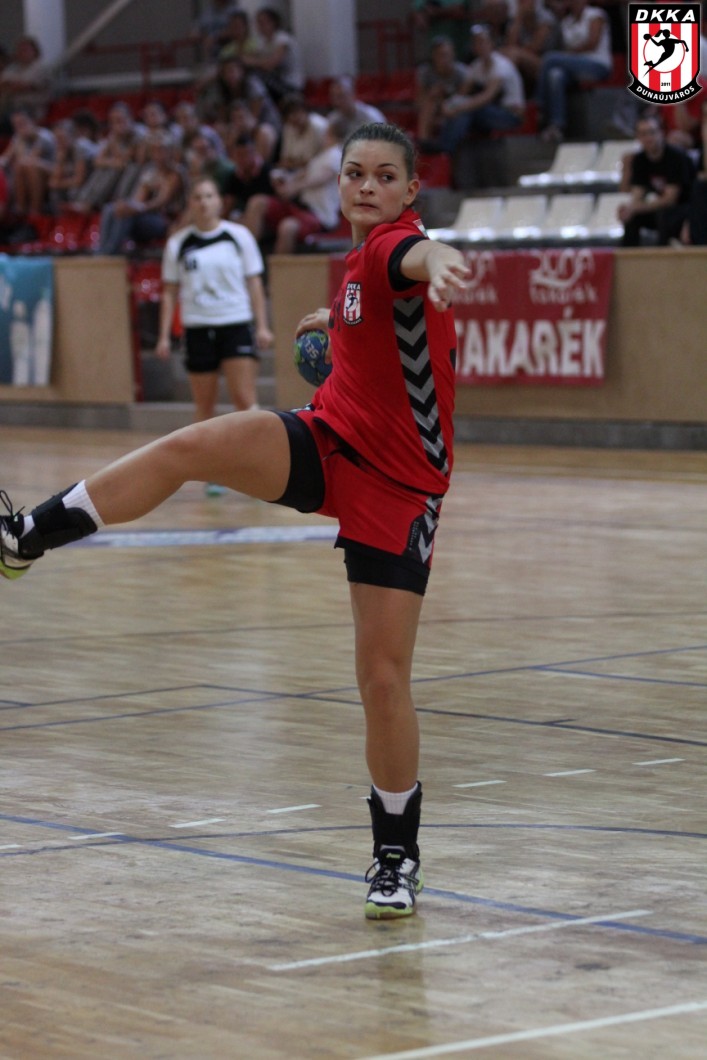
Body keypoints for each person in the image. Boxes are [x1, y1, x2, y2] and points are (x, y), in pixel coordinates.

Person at [0, 122, 470, 922]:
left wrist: (442, 259)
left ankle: (395, 857)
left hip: (398, 489)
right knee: (192, 446)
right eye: (354, 172)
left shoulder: (397, 247)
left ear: (409, 190)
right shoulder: (359, 260)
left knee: (382, 679)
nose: (365, 186)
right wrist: (331, 323)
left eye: (384, 176)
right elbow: (378, 308)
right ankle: (28, 536)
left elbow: (415, 260)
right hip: (330, 440)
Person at [156, 176, 272, 441]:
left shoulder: (239, 236)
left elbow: (254, 283)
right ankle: (210, 465)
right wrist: (163, 336)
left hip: (235, 323)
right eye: (197, 197)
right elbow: (169, 292)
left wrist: (262, 326)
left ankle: (255, 456)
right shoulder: (178, 243)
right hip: (198, 327)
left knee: (245, 400)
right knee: (204, 407)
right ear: (190, 203)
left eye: (209, 196)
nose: (204, 203)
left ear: (219, 201)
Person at [241, 115, 345, 254]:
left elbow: (320, 178)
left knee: (288, 227)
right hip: (299, 207)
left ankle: (279, 268)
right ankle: (247, 258)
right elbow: (302, 174)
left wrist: (294, 188)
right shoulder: (319, 156)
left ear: (329, 132)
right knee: (257, 202)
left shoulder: (337, 154)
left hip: (319, 215)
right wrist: (285, 179)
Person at [436, 23, 525, 156]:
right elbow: (462, 93)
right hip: (488, 114)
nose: (480, 46)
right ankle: (444, 152)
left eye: (483, 42)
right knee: (463, 111)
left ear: (491, 43)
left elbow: (487, 97)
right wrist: (447, 106)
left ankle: (445, 150)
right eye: (476, 43)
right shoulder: (476, 66)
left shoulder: (501, 65)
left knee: (468, 110)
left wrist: (457, 108)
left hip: (510, 115)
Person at [96, 130, 185, 255]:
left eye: (161, 150)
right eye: (155, 151)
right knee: (110, 209)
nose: (158, 155)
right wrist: (128, 206)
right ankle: (102, 250)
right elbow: (138, 199)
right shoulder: (151, 172)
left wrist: (136, 209)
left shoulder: (175, 173)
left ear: (170, 152)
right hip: (146, 216)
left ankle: (111, 252)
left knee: (128, 214)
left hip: (165, 220)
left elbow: (161, 202)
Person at [536, 0, 612, 143]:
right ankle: (557, 125)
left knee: (550, 59)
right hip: (574, 66)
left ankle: (540, 106)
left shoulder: (595, 15)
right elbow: (566, 48)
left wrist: (569, 54)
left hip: (597, 64)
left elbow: (592, 43)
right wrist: (568, 56)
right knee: (555, 75)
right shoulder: (566, 22)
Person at [618, 112, 696, 247]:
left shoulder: (676, 157)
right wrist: (629, 209)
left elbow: (670, 199)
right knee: (632, 217)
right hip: (662, 209)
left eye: (652, 132)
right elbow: (637, 194)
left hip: (687, 210)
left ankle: (661, 255)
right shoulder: (639, 160)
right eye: (643, 134)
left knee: (663, 215)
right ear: (638, 137)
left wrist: (636, 207)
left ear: (661, 133)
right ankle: (628, 256)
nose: (648, 138)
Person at [415, 35, 470, 150]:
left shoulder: (462, 72)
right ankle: (424, 141)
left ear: (453, 54)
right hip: (433, 110)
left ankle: (444, 148)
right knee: (430, 102)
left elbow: (463, 99)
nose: (445, 58)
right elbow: (419, 101)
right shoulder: (425, 72)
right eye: (440, 55)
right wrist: (432, 94)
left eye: (447, 54)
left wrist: (446, 101)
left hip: (454, 110)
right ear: (433, 56)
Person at [499, 0, 561, 95]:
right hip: (525, 60)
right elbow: (509, 46)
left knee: (513, 54)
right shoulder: (515, 21)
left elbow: (534, 48)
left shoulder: (546, 19)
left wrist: (517, 51)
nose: (523, 4)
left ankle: (508, 96)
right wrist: (518, 19)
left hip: (548, 62)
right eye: (520, 2)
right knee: (504, 54)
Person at [326, 76, 385, 142]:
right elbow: (329, 145)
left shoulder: (372, 117)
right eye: (333, 97)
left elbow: (381, 144)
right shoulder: (333, 119)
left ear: (352, 95)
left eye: (341, 96)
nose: (337, 102)